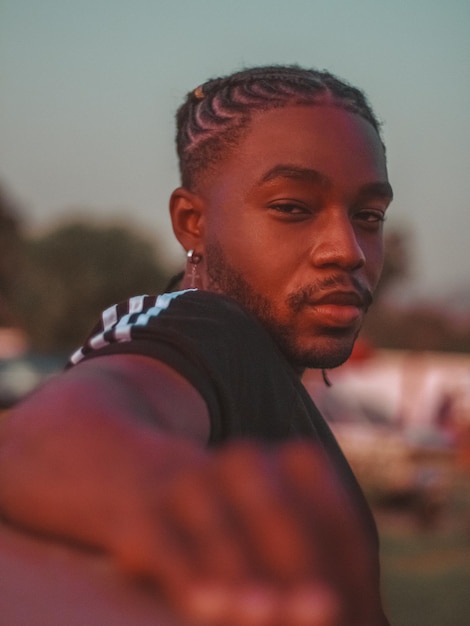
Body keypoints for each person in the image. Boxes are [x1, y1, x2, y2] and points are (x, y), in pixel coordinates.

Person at [0, 65, 393, 625]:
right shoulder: (205, 327)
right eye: (292, 208)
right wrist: (174, 505)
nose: (348, 249)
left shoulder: (262, 369)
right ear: (192, 223)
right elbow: (38, 439)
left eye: (369, 216)